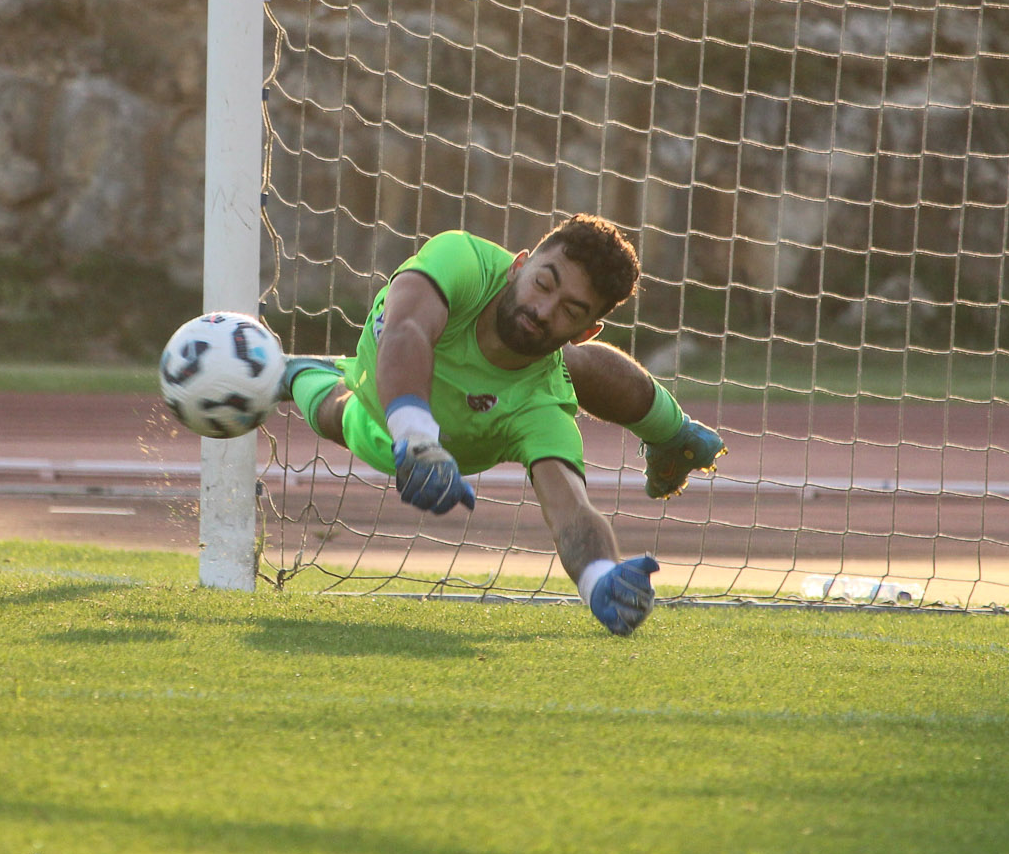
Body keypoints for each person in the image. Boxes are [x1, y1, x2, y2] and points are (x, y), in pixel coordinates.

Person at [279, 215, 724, 636]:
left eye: (571, 312)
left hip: (461, 438)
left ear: (587, 329)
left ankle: (675, 433)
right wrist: (415, 437)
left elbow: (571, 508)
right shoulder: (464, 259)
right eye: (543, 283)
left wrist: (599, 577)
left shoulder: (543, 404)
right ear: (519, 264)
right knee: (334, 413)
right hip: (387, 410)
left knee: (565, 365)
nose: (544, 309)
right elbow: (409, 328)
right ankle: (296, 372)